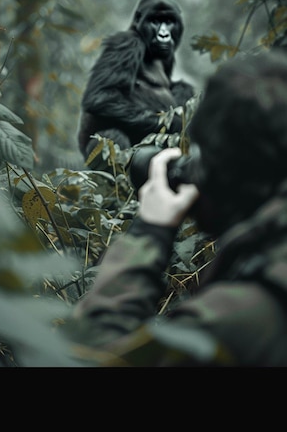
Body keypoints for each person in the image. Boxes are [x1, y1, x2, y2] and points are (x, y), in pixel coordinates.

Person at [64, 49, 287, 367]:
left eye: (201, 155)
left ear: (223, 177)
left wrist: (150, 231)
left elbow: (92, 356)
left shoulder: (238, 320)